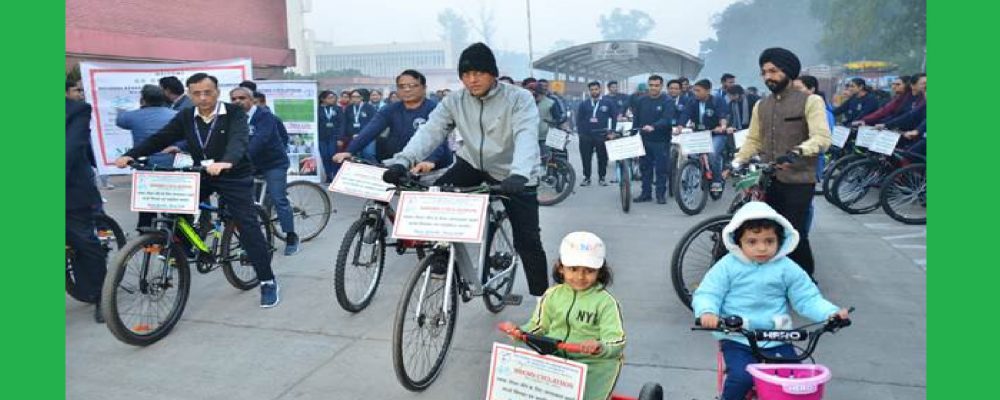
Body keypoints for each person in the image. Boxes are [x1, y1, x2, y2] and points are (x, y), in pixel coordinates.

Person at [381, 42, 550, 298]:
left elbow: (526, 135)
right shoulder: (454, 100)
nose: (472, 80)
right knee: (437, 199)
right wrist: (402, 161)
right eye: (466, 74)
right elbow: (431, 131)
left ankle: (543, 304)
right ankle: (442, 253)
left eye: (479, 73)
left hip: (514, 172)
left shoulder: (519, 98)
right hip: (472, 164)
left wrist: (520, 173)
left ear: (492, 73)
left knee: (528, 241)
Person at [115, 73, 281, 308]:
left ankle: (267, 280)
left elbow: (239, 140)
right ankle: (188, 249)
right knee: (175, 208)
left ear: (217, 92)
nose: (203, 98)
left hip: (233, 174)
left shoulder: (233, 113)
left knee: (247, 225)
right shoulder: (185, 116)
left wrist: (228, 161)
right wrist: (131, 154)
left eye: (208, 92)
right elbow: (160, 138)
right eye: (197, 93)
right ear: (189, 94)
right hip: (202, 172)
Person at [692, 201, 849, 400]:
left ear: (780, 241)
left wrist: (830, 313)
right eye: (752, 241)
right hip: (738, 337)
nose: (762, 248)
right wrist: (707, 312)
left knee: (793, 379)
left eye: (769, 241)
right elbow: (708, 293)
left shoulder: (786, 267)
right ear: (738, 241)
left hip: (778, 337)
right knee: (742, 378)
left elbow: (807, 297)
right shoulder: (727, 267)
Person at [732, 47, 832, 278]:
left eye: (773, 71)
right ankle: (776, 279)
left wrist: (798, 151)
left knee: (793, 233)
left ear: (787, 72)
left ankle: (805, 282)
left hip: (798, 179)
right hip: (768, 179)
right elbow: (754, 139)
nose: (768, 77)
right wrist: (737, 161)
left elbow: (822, 138)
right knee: (771, 233)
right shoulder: (761, 105)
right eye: (764, 72)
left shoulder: (810, 101)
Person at [503, 231, 625, 400]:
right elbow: (538, 325)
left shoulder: (606, 303)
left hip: (593, 364)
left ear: (600, 271)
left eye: (589, 270)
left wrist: (599, 346)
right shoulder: (552, 295)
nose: (580, 276)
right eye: (573, 269)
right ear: (561, 268)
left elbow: (616, 341)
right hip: (556, 358)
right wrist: (519, 331)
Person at [333, 69, 453, 173]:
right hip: (400, 164)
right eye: (402, 86)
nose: (406, 90)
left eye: (412, 86)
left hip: (432, 166)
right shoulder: (390, 109)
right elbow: (370, 131)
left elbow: (438, 138)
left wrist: (430, 160)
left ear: (424, 88)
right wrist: (349, 151)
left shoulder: (436, 109)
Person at [230, 87, 299, 256]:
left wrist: (240, 159)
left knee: (278, 198)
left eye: (242, 98)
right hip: (251, 165)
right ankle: (253, 239)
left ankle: (291, 236)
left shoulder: (265, 116)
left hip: (273, 163)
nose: (237, 101)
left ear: (252, 100)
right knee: (247, 203)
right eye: (234, 99)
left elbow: (260, 140)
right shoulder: (232, 118)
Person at [66, 93, 108, 323]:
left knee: (83, 241)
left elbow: (70, 149)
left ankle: (103, 295)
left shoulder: (77, 110)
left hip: (69, 188)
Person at [115, 84, 180, 229]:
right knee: (174, 202)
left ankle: (146, 235)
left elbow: (119, 120)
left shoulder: (131, 116)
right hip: (171, 164)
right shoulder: (175, 114)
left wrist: (120, 110)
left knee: (146, 202)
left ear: (142, 100)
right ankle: (174, 235)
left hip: (145, 165)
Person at [634, 75, 682, 204]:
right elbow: (636, 119)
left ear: (661, 86)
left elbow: (667, 119)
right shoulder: (641, 100)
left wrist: (653, 126)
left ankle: (660, 195)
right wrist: (634, 134)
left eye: (656, 85)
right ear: (648, 85)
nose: (653, 88)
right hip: (644, 139)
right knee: (645, 168)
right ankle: (645, 193)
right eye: (651, 85)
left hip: (661, 140)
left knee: (661, 169)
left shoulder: (667, 101)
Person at [680, 79, 730, 194]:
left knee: (712, 155)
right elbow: (685, 115)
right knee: (691, 154)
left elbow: (723, 116)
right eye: (694, 90)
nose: (695, 93)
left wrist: (722, 126)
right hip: (699, 134)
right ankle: (694, 176)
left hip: (716, 134)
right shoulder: (691, 101)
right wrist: (680, 127)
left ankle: (717, 181)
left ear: (708, 91)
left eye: (698, 90)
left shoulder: (718, 101)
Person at [575, 81, 618, 186]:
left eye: (596, 89)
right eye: (592, 90)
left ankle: (602, 178)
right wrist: (580, 133)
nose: (594, 91)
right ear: (589, 91)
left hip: (602, 134)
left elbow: (614, 118)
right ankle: (586, 178)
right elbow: (578, 119)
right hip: (586, 135)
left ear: (600, 90)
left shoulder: (608, 103)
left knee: (603, 157)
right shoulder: (584, 104)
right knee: (586, 157)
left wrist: (612, 132)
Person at [341, 89, 377, 162]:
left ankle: (374, 170)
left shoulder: (369, 107)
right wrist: (352, 134)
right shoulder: (349, 108)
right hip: (353, 136)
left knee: (368, 154)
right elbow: (346, 123)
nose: (355, 99)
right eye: (353, 97)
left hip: (367, 136)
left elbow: (372, 123)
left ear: (362, 97)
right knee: (356, 156)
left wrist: (362, 134)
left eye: (357, 97)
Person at [318, 90, 345, 183]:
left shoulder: (338, 109)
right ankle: (328, 175)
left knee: (333, 155)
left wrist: (340, 138)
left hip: (334, 137)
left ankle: (335, 174)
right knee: (325, 156)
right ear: (323, 99)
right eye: (330, 98)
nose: (333, 99)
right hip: (321, 137)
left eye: (333, 97)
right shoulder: (318, 109)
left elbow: (342, 124)